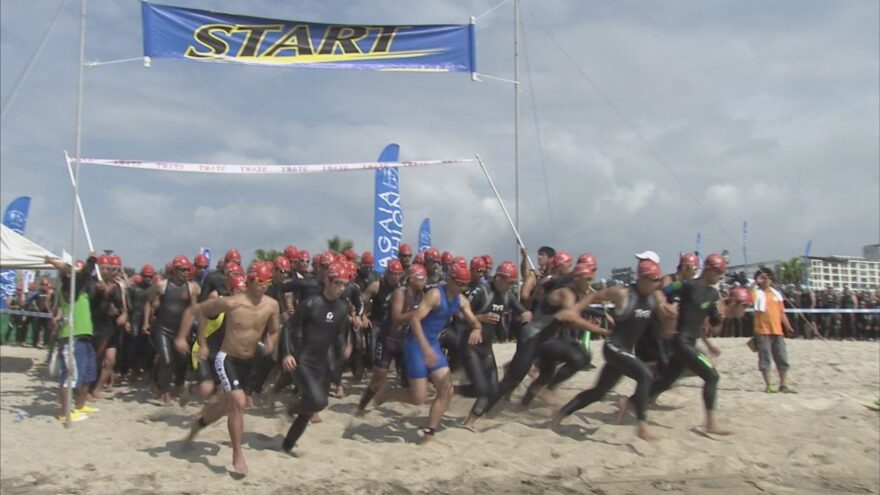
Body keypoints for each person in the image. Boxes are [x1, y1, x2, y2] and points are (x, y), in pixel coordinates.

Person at [552, 258, 673, 440]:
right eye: (654, 280)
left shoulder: (655, 298)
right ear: (642, 279)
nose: (657, 284)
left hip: (624, 350)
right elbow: (594, 296)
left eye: (658, 280)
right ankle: (642, 426)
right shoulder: (622, 293)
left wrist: (672, 319)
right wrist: (575, 310)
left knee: (598, 392)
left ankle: (560, 414)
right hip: (613, 346)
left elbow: (666, 332)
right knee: (646, 376)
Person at [185, 262, 280, 476]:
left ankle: (199, 423)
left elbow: (274, 330)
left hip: (249, 362)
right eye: (260, 282)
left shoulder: (272, 305)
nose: (264, 286)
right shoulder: (231, 302)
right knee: (238, 402)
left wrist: (271, 341)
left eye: (267, 282)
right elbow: (200, 312)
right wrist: (202, 342)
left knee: (226, 406)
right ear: (250, 280)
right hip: (227, 358)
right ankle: (238, 455)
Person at [373, 263, 482, 442]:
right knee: (419, 398)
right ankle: (388, 392)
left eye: (465, 284)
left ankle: (429, 433)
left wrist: (477, 329)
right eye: (460, 283)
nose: (463, 287)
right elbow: (415, 321)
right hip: (416, 344)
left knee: (445, 390)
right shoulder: (435, 294)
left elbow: (474, 321)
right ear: (450, 280)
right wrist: (425, 348)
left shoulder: (461, 300)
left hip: (433, 345)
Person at [639, 253, 734, 435]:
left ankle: (630, 402)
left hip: (689, 341)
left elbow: (713, 323)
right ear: (709, 269)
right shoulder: (689, 285)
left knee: (666, 381)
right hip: (681, 341)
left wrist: (722, 314)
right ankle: (710, 424)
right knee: (712, 376)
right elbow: (661, 290)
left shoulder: (713, 293)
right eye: (719, 272)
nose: (721, 276)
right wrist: (663, 307)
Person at [278, 262, 352, 453]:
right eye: (338, 283)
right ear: (328, 281)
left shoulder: (342, 307)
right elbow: (287, 327)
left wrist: (344, 345)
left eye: (345, 284)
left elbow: (338, 334)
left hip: (322, 364)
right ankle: (289, 410)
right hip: (303, 361)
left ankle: (287, 446)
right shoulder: (311, 304)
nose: (342, 288)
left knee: (311, 409)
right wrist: (286, 353)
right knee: (318, 401)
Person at [458, 261, 532, 430]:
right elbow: (458, 316)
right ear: (498, 278)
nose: (511, 286)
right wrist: (481, 318)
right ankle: (451, 391)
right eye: (509, 282)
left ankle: (468, 421)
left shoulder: (508, 296)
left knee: (492, 389)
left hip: (486, 348)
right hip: (469, 345)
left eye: (514, 283)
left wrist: (526, 313)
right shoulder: (481, 292)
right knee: (481, 388)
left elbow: (522, 310)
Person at [357, 261, 421, 415]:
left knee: (407, 376)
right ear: (387, 273)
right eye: (392, 273)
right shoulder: (377, 286)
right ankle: (361, 406)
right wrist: (363, 315)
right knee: (379, 376)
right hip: (382, 330)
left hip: (402, 337)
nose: (395, 276)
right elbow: (360, 300)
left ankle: (396, 398)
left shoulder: (412, 291)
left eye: (398, 274)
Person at [45, 253, 100, 423]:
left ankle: (80, 406)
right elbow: (81, 275)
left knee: (88, 374)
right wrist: (90, 261)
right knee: (70, 375)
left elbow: (87, 279)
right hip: (71, 337)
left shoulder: (80, 289)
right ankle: (64, 412)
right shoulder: (69, 287)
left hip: (84, 336)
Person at [143, 255, 201, 405]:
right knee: (166, 360)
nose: (186, 272)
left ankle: (161, 384)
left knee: (180, 360)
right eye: (183, 270)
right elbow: (148, 302)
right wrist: (145, 322)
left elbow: (193, 310)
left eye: (188, 270)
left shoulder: (192, 287)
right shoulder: (161, 285)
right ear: (174, 270)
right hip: (163, 329)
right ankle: (165, 392)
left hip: (181, 330)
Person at [751, 267, 796, 393]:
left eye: (768, 277)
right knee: (765, 359)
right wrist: (756, 281)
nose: (766, 280)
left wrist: (788, 326)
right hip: (762, 331)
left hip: (777, 331)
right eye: (763, 278)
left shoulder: (776, 294)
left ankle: (783, 384)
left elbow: (782, 312)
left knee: (782, 358)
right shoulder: (756, 292)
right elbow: (748, 294)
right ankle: (769, 385)